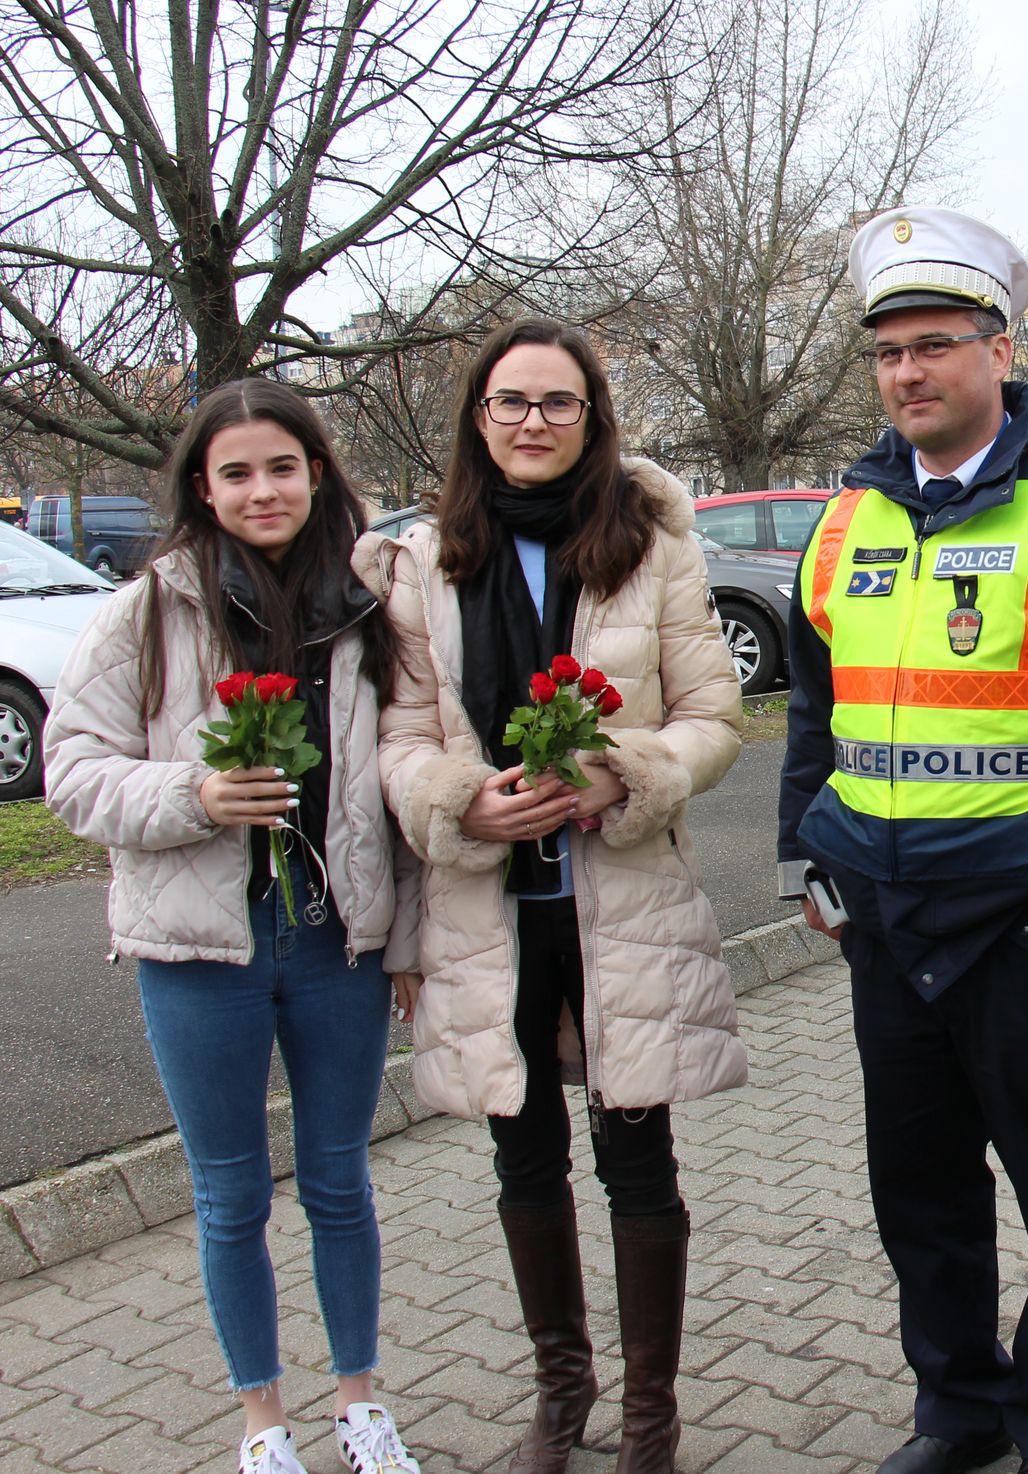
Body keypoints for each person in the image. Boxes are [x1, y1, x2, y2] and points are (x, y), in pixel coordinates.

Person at [778, 208, 1028, 1474]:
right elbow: (816, 710)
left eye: (933, 345)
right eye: (886, 354)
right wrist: (803, 853)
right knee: (918, 1196)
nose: (907, 374)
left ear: (997, 349)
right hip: (889, 922)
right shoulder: (846, 515)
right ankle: (958, 1412)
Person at [376, 317, 746, 1474]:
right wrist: (456, 801)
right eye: (509, 403)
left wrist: (635, 768)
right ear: (477, 421)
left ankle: (650, 1417)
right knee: (521, 1155)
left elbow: (716, 718)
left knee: (636, 1155)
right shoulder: (426, 559)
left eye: (556, 403)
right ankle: (560, 1392)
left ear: (592, 416)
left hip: (620, 900)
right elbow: (396, 734)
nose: (531, 422)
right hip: (490, 910)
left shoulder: (650, 543)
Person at [44, 380, 422, 1474]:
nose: (263, 490)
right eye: (237, 472)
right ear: (202, 490)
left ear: (318, 473)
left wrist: (396, 941)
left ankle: (360, 1403)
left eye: (283, 467)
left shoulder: (364, 607)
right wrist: (192, 797)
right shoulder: (147, 610)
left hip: (331, 946)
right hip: (195, 950)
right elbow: (72, 772)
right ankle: (262, 1422)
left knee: (340, 1179)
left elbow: (386, 788)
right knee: (230, 1191)